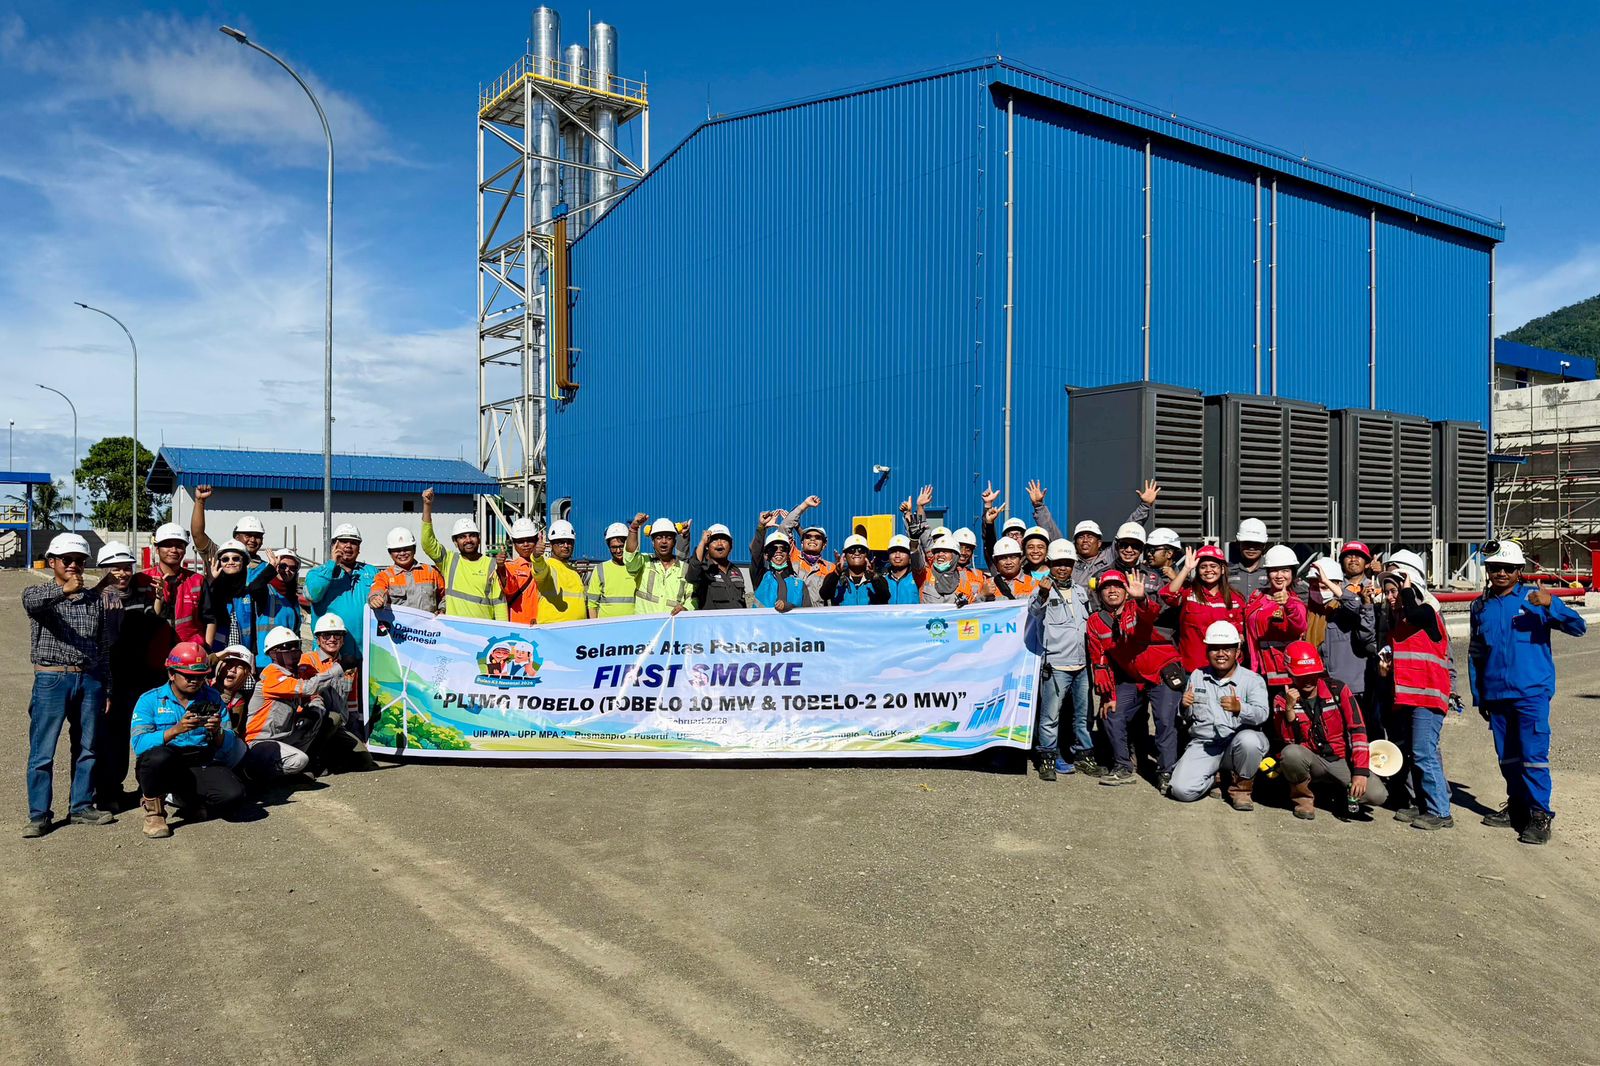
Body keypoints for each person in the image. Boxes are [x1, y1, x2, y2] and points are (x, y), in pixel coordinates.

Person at [1469, 541, 1587, 845]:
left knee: (1533, 757)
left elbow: (1579, 627)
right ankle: (1518, 806)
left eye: (1508, 568)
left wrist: (1552, 604)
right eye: (1495, 567)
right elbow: (1476, 653)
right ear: (1488, 570)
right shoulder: (1480, 607)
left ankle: (1539, 814)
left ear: (1519, 570)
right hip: (1496, 695)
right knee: (1507, 757)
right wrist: (1479, 695)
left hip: (1530, 694)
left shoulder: (1535, 599)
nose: (1501, 573)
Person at [21, 533, 121, 837]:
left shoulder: (94, 601)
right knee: (43, 751)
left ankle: (81, 806)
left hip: (89, 678)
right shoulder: (39, 594)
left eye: (79, 560)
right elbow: (32, 604)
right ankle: (39, 815)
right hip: (52, 678)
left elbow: (103, 647)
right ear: (52, 562)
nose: (74, 565)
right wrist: (63, 591)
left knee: (87, 747)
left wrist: (107, 687)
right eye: (67, 559)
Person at [129, 642, 249, 839]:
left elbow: (228, 744)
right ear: (171, 674)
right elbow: (139, 745)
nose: (195, 681)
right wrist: (175, 730)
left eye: (201, 677)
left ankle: (187, 800)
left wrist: (217, 732)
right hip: (164, 763)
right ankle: (154, 814)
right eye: (189, 676)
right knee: (157, 757)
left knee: (233, 796)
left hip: (199, 761)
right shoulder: (149, 700)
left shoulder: (213, 698)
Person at [1086, 569, 1182, 790]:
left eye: (1117, 586)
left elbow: (1150, 613)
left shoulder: (1136, 607)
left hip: (1160, 672)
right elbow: (1099, 660)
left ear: (1126, 591)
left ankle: (1166, 772)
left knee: (1165, 719)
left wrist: (1141, 598)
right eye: (1106, 587)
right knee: (1111, 713)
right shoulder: (1095, 621)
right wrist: (1108, 696)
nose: (1112, 590)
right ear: (1099, 593)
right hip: (1132, 678)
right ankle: (1123, 766)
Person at [1271, 641, 1386, 821]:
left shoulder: (1338, 690)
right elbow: (1288, 743)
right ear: (1290, 673)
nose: (1308, 680)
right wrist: (1289, 710)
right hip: (1311, 760)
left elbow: (1358, 730)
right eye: (1301, 675)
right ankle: (1303, 799)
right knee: (1291, 754)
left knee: (1377, 795)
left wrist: (1360, 772)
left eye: (1312, 674)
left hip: (1340, 758)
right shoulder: (1281, 699)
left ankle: (1340, 792)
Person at [96, 541, 165, 813]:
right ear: (103, 570)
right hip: (111, 679)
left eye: (126, 568)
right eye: (115, 568)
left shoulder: (139, 597)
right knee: (113, 737)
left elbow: (153, 620)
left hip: (140, 677)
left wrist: (158, 597)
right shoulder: (96, 599)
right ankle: (109, 792)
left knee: (142, 731)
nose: (122, 574)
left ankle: (145, 788)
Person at [1382, 568, 1454, 830]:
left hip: (1428, 697)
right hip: (1410, 698)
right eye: (1388, 592)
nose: (1390, 596)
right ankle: (1425, 806)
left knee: (1425, 753)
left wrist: (1407, 590)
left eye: (1395, 591)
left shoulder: (1426, 613)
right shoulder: (1400, 623)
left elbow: (1414, 613)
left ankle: (1440, 812)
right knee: (1416, 753)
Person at [1170, 622, 1270, 809]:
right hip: (1205, 744)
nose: (1221, 654)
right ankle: (1215, 778)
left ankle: (1241, 790)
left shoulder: (1252, 680)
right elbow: (1187, 718)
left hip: (1237, 746)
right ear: (1207, 651)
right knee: (1181, 790)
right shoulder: (1197, 676)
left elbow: (1262, 714)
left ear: (1237, 652)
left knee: (1250, 741)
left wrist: (1240, 708)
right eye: (1215, 649)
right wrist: (1184, 706)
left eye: (1227, 649)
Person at [247, 627, 363, 779]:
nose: (293, 651)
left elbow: (313, 696)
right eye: (287, 647)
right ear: (273, 653)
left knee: (317, 716)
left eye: (296, 646)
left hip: (284, 737)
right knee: (299, 760)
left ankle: (304, 765)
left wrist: (315, 709)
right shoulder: (273, 676)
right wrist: (339, 668)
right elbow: (308, 688)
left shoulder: (293, 675)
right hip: (261, 741)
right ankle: (259, 775)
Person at [1028, 540, 1094, 780]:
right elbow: (1034, 611)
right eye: (1058, 564)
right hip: (1056, 665)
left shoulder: (1080, 591)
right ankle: (1047, 758)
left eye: (1067, 563)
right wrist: (1043, 594)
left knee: (1083, 716)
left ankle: (1084, 755)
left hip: (1082, 664)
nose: (1063, 568)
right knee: (1050, 717)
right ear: (1050, 564)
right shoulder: (1042, 590)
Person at [1307, 545, 1381, 738]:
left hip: (1355, 687)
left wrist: (1336, 589)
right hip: (1324, 687)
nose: (1320, 590)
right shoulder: (1310, 611)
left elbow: (1358, 611)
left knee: (1363, 734)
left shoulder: (1351, 603)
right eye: (1315, 585)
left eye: (1325, 585)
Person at [419, 489, 506, 620]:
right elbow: (428, 543)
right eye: (462, 537)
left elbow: (499, 603)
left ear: (479, 539)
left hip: (483, 629)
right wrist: (427, 505)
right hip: (454, 629)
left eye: (472, 536)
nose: (468, 540)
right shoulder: (449, 561)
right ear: (455, 542)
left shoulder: (492, 565)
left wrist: (503, 628)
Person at [1163, 545, 1246, 673]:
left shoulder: (1236, 598)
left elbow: (1241, 636)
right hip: (1193, 669)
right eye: (1203, 567)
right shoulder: (1188, 593)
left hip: (1226, 670)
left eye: (1213, 566)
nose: (1208, 570)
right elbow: (1168, 595)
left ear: (1222, 569)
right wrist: (1186, 569)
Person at [305, 524, 381, 655]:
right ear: (334, 545)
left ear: (359, 548)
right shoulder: (317, 573)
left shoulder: (371, 572)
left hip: (365, 654)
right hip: (330, 653)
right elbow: (313, 595)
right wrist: (331, 566)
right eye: (344, 541)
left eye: (354, 542)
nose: (348, 546)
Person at [197, 538, 277, 656]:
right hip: (217, 653)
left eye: (236, 558)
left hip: (244, 654)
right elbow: (203, 609)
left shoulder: (249, 592)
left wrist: (270, 568)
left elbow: (256, 587)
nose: (230, 562)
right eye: (225, 559)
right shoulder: (214, 589)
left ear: (244, 562)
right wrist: (210, 582)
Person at [1243, 544, 1307, 685]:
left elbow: (1301, 626)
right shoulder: (1257, 596)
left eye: (1285, 570)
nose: (1279, 576)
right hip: (1255, 669)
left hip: (1281, 675)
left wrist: (1288, 604)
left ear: (1292, 574)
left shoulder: (1295, 603)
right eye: (1274, 570)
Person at [142, 522, 206, 647]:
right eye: (167, 545)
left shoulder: (197, 581)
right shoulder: (142, 579)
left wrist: (206, 649)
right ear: (157, 549)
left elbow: (209, 619)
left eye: (179, 546)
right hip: (153, 652)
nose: (173, 550)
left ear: (185, 549)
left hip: (190, 652)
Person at [189, 485, 269, 579]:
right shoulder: (221, 557)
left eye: (257, 536)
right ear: (236, 537)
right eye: (248, 535)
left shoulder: (267, 569)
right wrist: (200, 501)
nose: (253, 540)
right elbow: (198, 535)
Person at [624, 514, 694, 615]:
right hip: (645, 624)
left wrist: (686, 608)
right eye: (659, 538)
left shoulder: (685, 568)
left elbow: (692, 597)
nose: (664, 541)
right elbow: (630, 556)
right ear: (653, 542)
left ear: (674, 542)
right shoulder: (643, 562)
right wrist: (633, 529)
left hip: (672, 623)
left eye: (668, 538)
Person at [368, 527, 445, 614]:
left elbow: (445, 597)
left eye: (406, 549)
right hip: (398, 623)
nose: (402, 553)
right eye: (397, 550)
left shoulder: (431, 572)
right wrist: (375, 599)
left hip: (428, 623)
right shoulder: (384, 576)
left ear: (414, 549)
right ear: (390, 553)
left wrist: (442, 610)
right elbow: (377, 590)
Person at [781, 495, 836, 604]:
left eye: (818, 537)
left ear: (824, 544)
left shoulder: (831, 568)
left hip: (817, 614)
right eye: (808, 536)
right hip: (793, 613)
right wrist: (805, 505)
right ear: (802, 542)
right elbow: (784, 527)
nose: (812, 539)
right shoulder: (792, 556)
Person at [530, 520, 587, 623]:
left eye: (569, 542)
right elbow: (539, 570)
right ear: (551, 544)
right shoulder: (548, 565)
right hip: (552, 629)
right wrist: (536, 557)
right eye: (561, 542)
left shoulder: (574, 572)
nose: (566, 545)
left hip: (576, 628)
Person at [686, 523, 752, 610]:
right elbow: (692, 576)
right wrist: (702, 542)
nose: (720, 544)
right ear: (707, 546)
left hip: (737, 618)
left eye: (724, 540)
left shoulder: (736, 570)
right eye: (714, 540)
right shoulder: (703, 569)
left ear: (731, 546)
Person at [750, 520, 811, 611]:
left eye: (783, 548)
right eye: (773, 549)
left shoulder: (799, 583)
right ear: (766, 555)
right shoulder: (760, 576)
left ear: (788, 554)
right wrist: (761, 528)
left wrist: (789, 607)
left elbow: (808, 612)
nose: (778, 551)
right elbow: (756, 554)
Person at [587, 522, 641, 617]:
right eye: (614, 547)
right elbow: (592, 605)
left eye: (621, 546)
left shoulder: (638, 567)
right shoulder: (600, 569)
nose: (618, 551)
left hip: (632, 623)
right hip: (607, 624)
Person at [920, 533, 990, 605]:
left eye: (968, 549)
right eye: (960, 548)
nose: (963, 552)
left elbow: (971, 606)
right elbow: (927, 545)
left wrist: (983, 595)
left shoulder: (977, 576)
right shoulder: (929, 571)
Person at [819, 534, 890, 605]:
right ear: (844, 556)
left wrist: (874, 577)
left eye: (861, 550)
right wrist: (837, 573)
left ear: (866, 555)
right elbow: (824, 595)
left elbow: (885, 597)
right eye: (852, 550)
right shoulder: (835, 578)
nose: (856, 553)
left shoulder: (878, 579)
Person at [497, 517, 544, 624]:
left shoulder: (547, 566)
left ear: (536, 540)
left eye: (529, 540)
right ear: (514, 544)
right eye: (520, 541)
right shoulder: (509, 567)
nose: (525, 544)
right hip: (519, 626)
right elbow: (509, 589)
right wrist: (501, 567)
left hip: (543, 624)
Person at [1228, 518, 1271, 599]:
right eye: (1247, 543)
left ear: (1264, 545)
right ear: (1239, 543)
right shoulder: (1226, 570)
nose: (1251, 548)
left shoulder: (1273, 570)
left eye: (1256, 544)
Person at [882, 534, 923, 605]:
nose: (897, 555)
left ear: (909, 556)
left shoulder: (918, 577)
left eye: (902, 551)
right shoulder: (883, 579)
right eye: (893, 551)